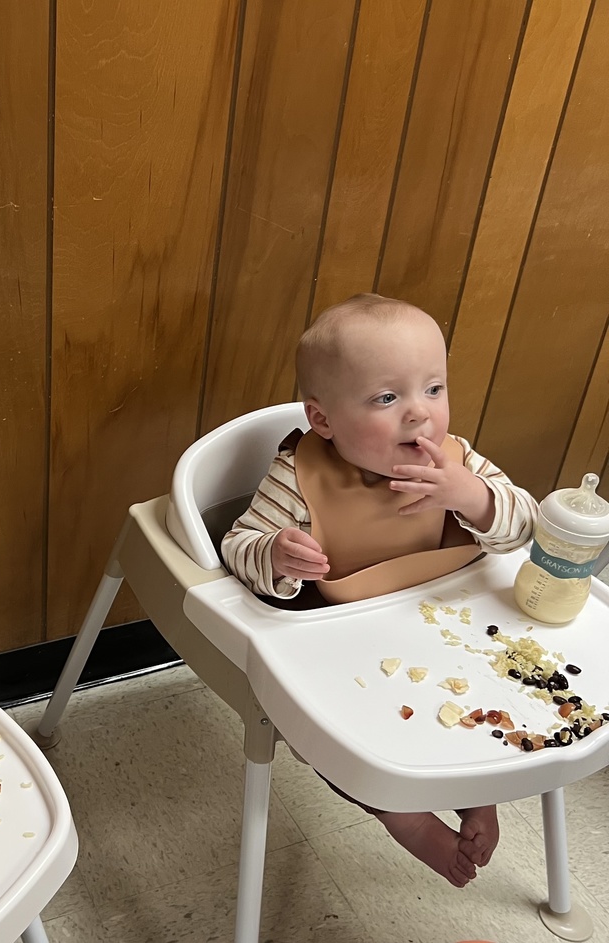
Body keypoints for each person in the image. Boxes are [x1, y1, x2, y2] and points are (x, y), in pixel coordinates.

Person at [221, 293, 537, 888]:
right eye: (387, 398)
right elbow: (239, 547)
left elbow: (523, 526)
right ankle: (406, 818)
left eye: (434, 389)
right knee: (338, 731)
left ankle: (478, 789)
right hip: (346, 646)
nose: (420, 415)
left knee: (483, 694)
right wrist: (277, 552)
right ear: (323, 420)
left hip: (442, 624)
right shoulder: (300, 474)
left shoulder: (456, 461)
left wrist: (470, 497)